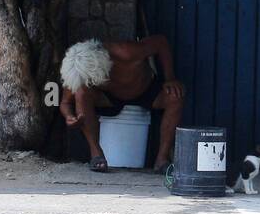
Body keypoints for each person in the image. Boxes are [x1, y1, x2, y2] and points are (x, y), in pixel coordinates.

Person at [59, 35, 186, 172]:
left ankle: (162, 159)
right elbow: (65, 103)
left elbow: (161, 42)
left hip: (146, 90)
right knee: (81, 93)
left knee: (175, 95)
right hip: (109, 99)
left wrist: (170, 78)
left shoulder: (127, 52)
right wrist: (69, 117)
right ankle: (96, 154)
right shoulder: (77, 70)